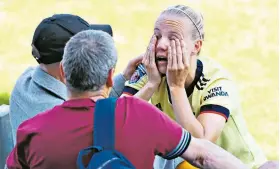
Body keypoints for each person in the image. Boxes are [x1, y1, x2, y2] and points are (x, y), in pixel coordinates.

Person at [6, 29, 250, 169]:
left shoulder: (32, 131)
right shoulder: (139, 115)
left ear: (63, 74)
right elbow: (202, 155)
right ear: (111, 77)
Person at [122, 5, 267, 169]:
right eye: (157, 35)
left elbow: (203, 145)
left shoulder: (216, 80)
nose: (161, 44)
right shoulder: (150, 70)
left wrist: (176, 87)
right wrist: (151, 84)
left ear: (196, 46)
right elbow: (116, 122)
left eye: (172, 38)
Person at [9, 14, 142, 143]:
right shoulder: (61, 117)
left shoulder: (25, 81)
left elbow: (93, 97)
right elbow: (117, 129)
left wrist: (125, 76)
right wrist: (148, 87)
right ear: (65, 67)